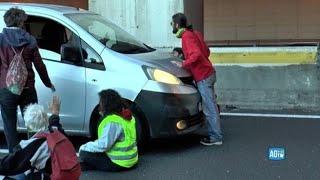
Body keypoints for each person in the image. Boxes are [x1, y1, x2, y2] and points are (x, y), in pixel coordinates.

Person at [0, 7, 55, 153]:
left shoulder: (0, 39)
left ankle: (15, 157)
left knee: (9, 125)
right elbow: (39, 65)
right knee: (34, 123)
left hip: (6, 88)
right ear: (21, 22)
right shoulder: (30, 40)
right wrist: (48, 83)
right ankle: (35, 153)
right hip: (28, 88)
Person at [171, 13, 223, 146]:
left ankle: (216, 137)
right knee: (210, 104)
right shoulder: (195, 33)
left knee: (209, 107)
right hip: (209, 72)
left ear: (177, 24)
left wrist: (183, 64)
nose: (172, 26)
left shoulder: (186, 36)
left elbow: (197, 54)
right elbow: (206, 52)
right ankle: (214, 130)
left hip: (203, 76)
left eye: (172, 24)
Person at [0, 96, 66, 179]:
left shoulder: (31, 146)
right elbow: (54, 122)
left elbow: (7, 165)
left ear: (28, 126)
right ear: (46, 120)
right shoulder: (57, 132)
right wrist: (55, 112)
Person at [79, 89, 138, 172]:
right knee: (95, 149)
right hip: (131, 160)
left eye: (101, 102)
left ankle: (88, 166)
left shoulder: (112, 122)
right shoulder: (125, 115)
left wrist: (84, 147)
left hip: (119, 163)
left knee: (84, 153)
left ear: (107, 104)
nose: (99, 104)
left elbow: (104, 145)